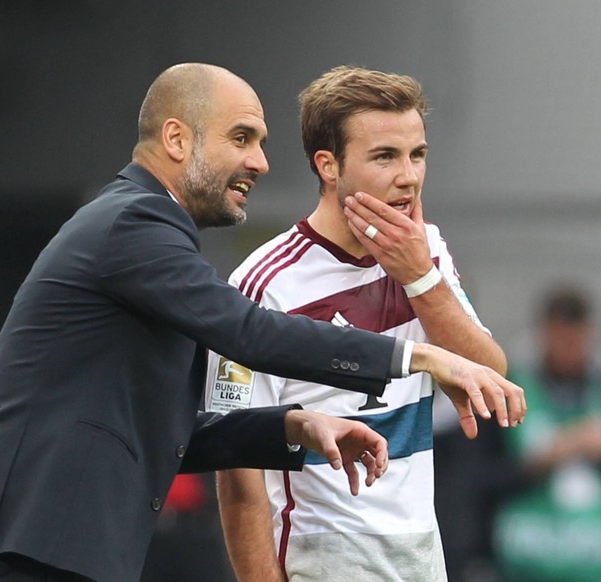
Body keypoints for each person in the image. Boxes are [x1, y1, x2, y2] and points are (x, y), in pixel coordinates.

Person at [0, 63, 525, 582]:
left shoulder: (151, 236)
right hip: (22, 550)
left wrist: (297, 426)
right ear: (178, 139)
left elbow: (182, 432)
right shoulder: (134, 225)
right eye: (241, 138)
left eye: (417, 154)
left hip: (55, 551)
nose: (260, 162)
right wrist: (412, 357)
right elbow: (247, 332)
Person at [205, 65, 516, 582]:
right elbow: (235, 465)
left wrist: (419, 278)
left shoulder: (425, 253)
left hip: (420, 552)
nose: (408, 176)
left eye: (417, 155)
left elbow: (492, 379)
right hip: (324, 555)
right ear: (328, 165)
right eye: (384, 156)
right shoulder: (261, 284)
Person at [473, 285, 601, 582]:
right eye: (561, 341)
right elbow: (478, 475)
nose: (570, 351)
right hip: (523, 563)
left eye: (577, 341)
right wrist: (541, 460)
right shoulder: (507, 386)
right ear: (543, 336)